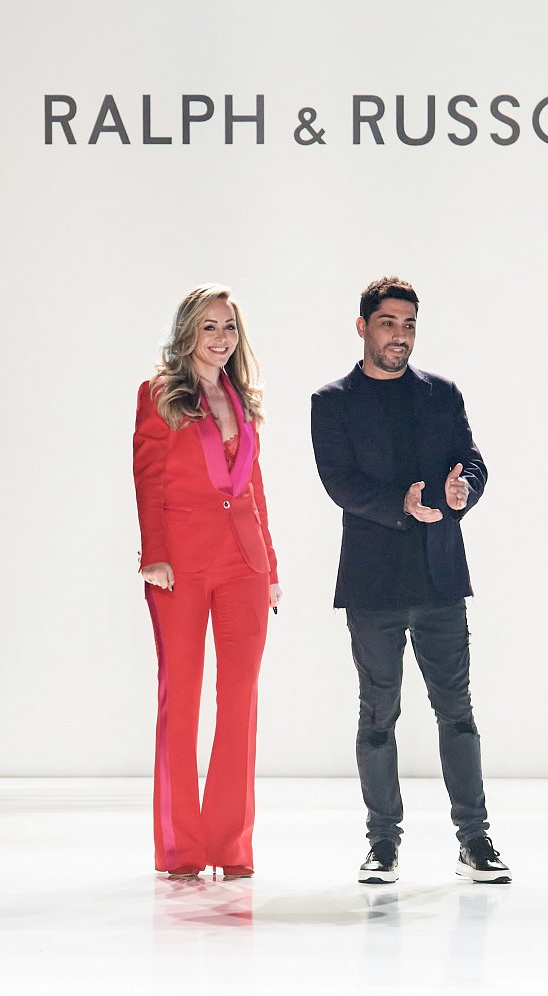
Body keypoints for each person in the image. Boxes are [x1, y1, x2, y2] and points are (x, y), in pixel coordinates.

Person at [311, 276, 511, 885]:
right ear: (362, 326)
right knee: (379, 716)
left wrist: (463, 488)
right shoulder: (332, 401)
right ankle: (383, 844)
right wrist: (402, 503)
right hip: (373, 583)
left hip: (439, 576)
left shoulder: (441, 394)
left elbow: (472, 461)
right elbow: (339, 482)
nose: (400, 335)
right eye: (388, 323)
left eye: (409, 324)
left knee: (458, 713)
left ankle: (474, 841)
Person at [133, 284, 280, 879]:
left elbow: (254, 489)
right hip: (180, 565)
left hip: (244, 565)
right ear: (188, 331)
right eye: (210, 327)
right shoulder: (159, 394)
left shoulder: (242, 398)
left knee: (240, 699)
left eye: (230, 327)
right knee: (183, 698)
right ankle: (182, 848)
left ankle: (231, 845)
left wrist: (270, 567)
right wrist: (155, 554)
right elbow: (148, 477)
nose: (221, 338)